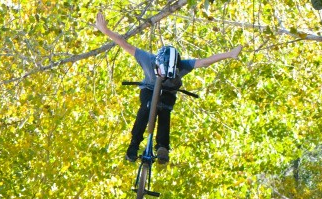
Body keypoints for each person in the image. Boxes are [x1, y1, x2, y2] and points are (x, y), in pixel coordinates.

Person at [95, 12, 242, 164]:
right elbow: (124, 43)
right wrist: (105, 30)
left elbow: (204, 62)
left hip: (168, 93)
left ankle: (162, 147)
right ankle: (134, 145)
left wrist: (229, 54)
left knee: (164, 110)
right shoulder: (148, 60)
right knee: (147, 107)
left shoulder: (183, 65)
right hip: (149, 89)